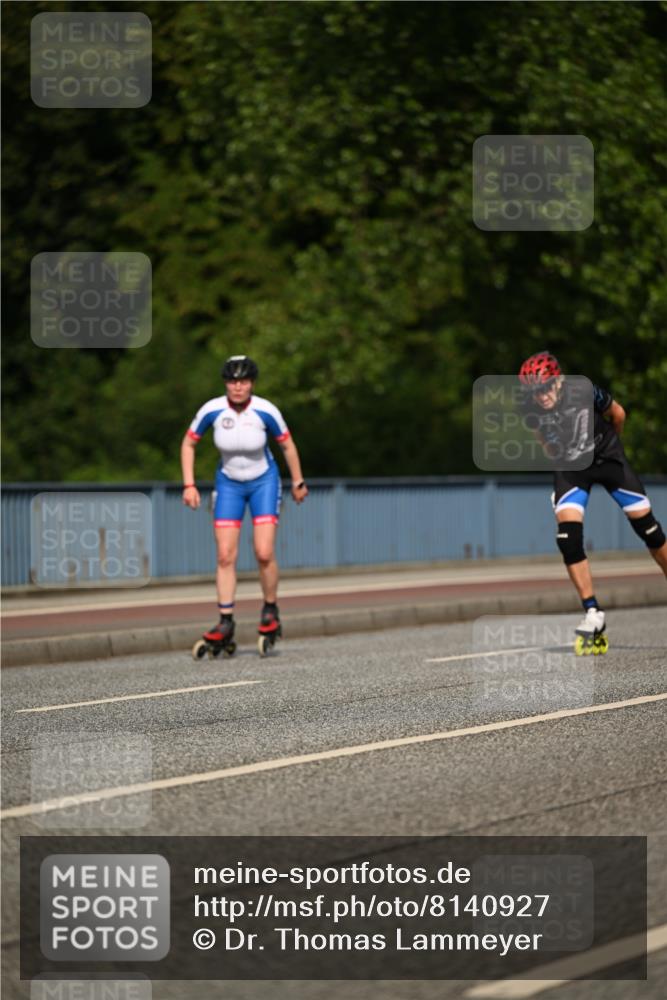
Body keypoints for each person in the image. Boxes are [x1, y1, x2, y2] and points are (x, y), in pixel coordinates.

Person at [518, 351, 667, 652]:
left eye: (546, 388)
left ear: (558, 381)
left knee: (648, 529)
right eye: (535, 392)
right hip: (571, 466)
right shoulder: (530, 408)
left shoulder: (584, 391)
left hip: (608, 457)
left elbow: (619, 415)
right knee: (567, 538)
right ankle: (592, 613)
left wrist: (613, 448)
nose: (541, 396)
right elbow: (542, 438)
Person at [181, 355, 308, 651]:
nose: (238, 388)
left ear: (252, 383)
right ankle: (225, 620)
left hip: (263, 481)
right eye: (232, 381)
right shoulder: (212, 409)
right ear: (225, 383)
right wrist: (189, 484)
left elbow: (287, 445)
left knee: (263, 552)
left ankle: (270, 609)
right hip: (228, 484)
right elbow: (188, 443)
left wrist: (298, 481)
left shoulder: (265, 410)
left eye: (244, 381)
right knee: (225, 555)